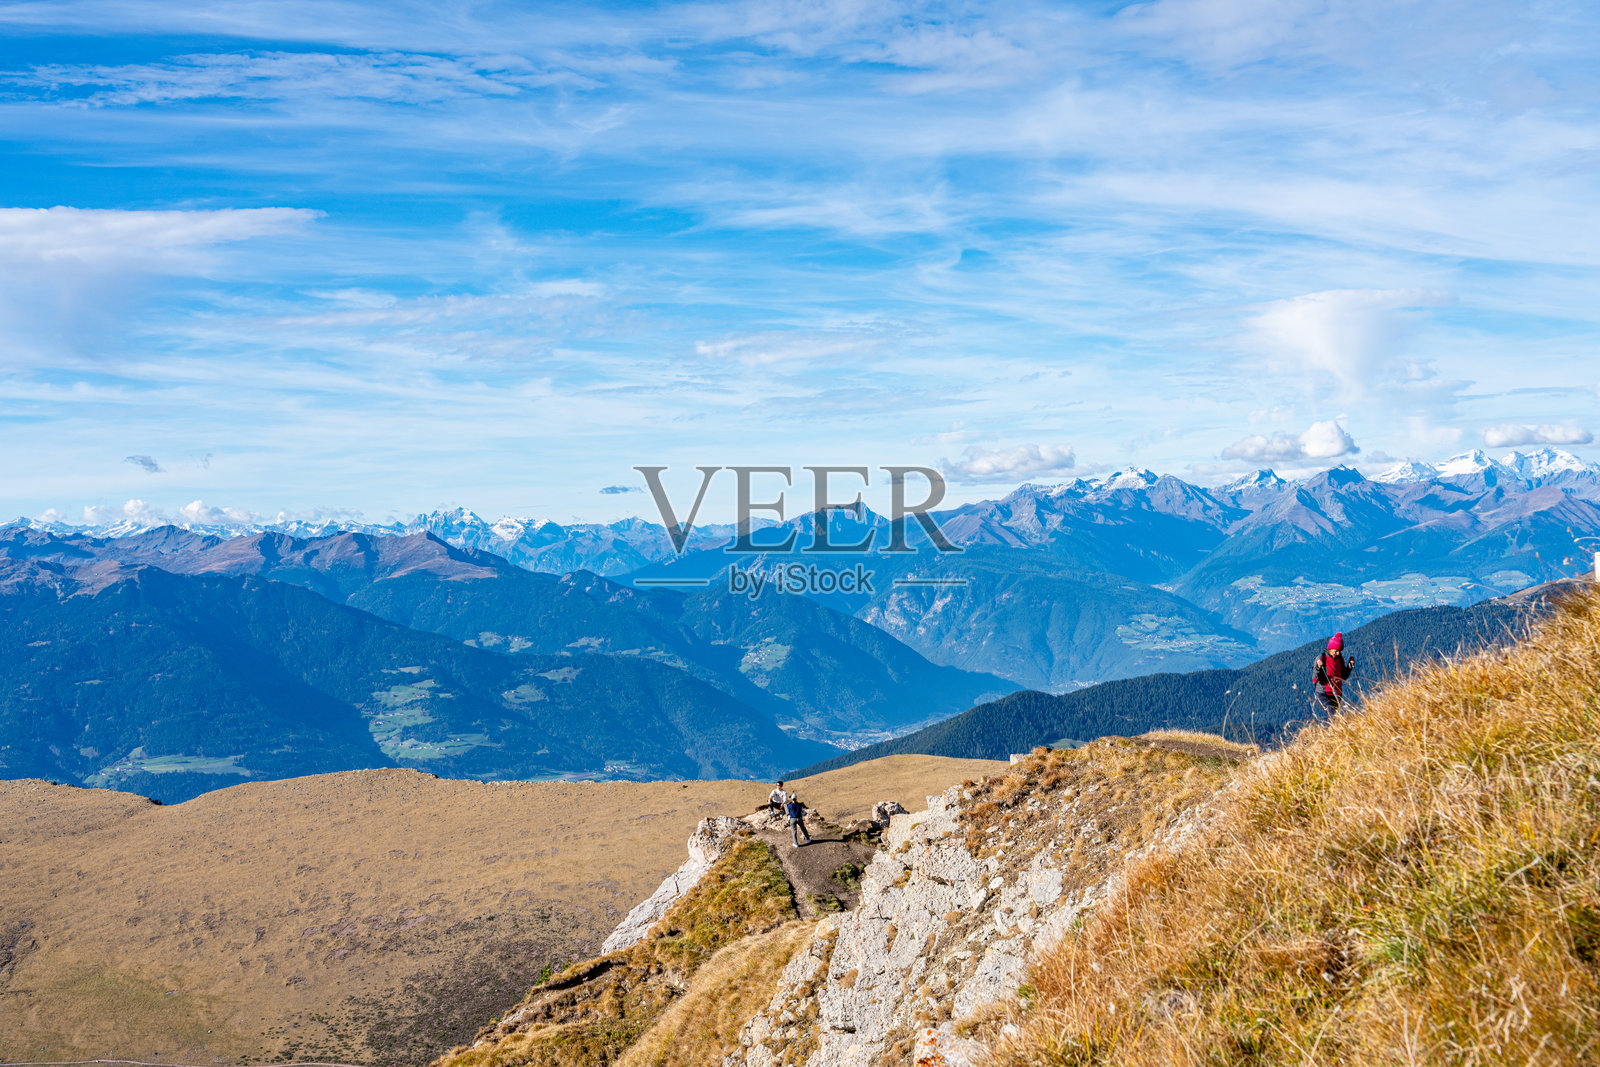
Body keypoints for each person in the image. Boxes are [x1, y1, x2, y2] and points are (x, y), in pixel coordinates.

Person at [1313, 632, 1355, 715]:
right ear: (1330, 648)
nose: (1338, 653)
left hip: (1337, 694)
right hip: (1323, 693)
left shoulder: (1340, 659)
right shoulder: (1321, 658)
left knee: (1336, 718)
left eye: (1339, 651)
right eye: (1336, 651)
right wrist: (1318, 667)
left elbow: (1343, 676)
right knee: (1333, 715)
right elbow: (1315, 677)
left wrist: (1350, 666)